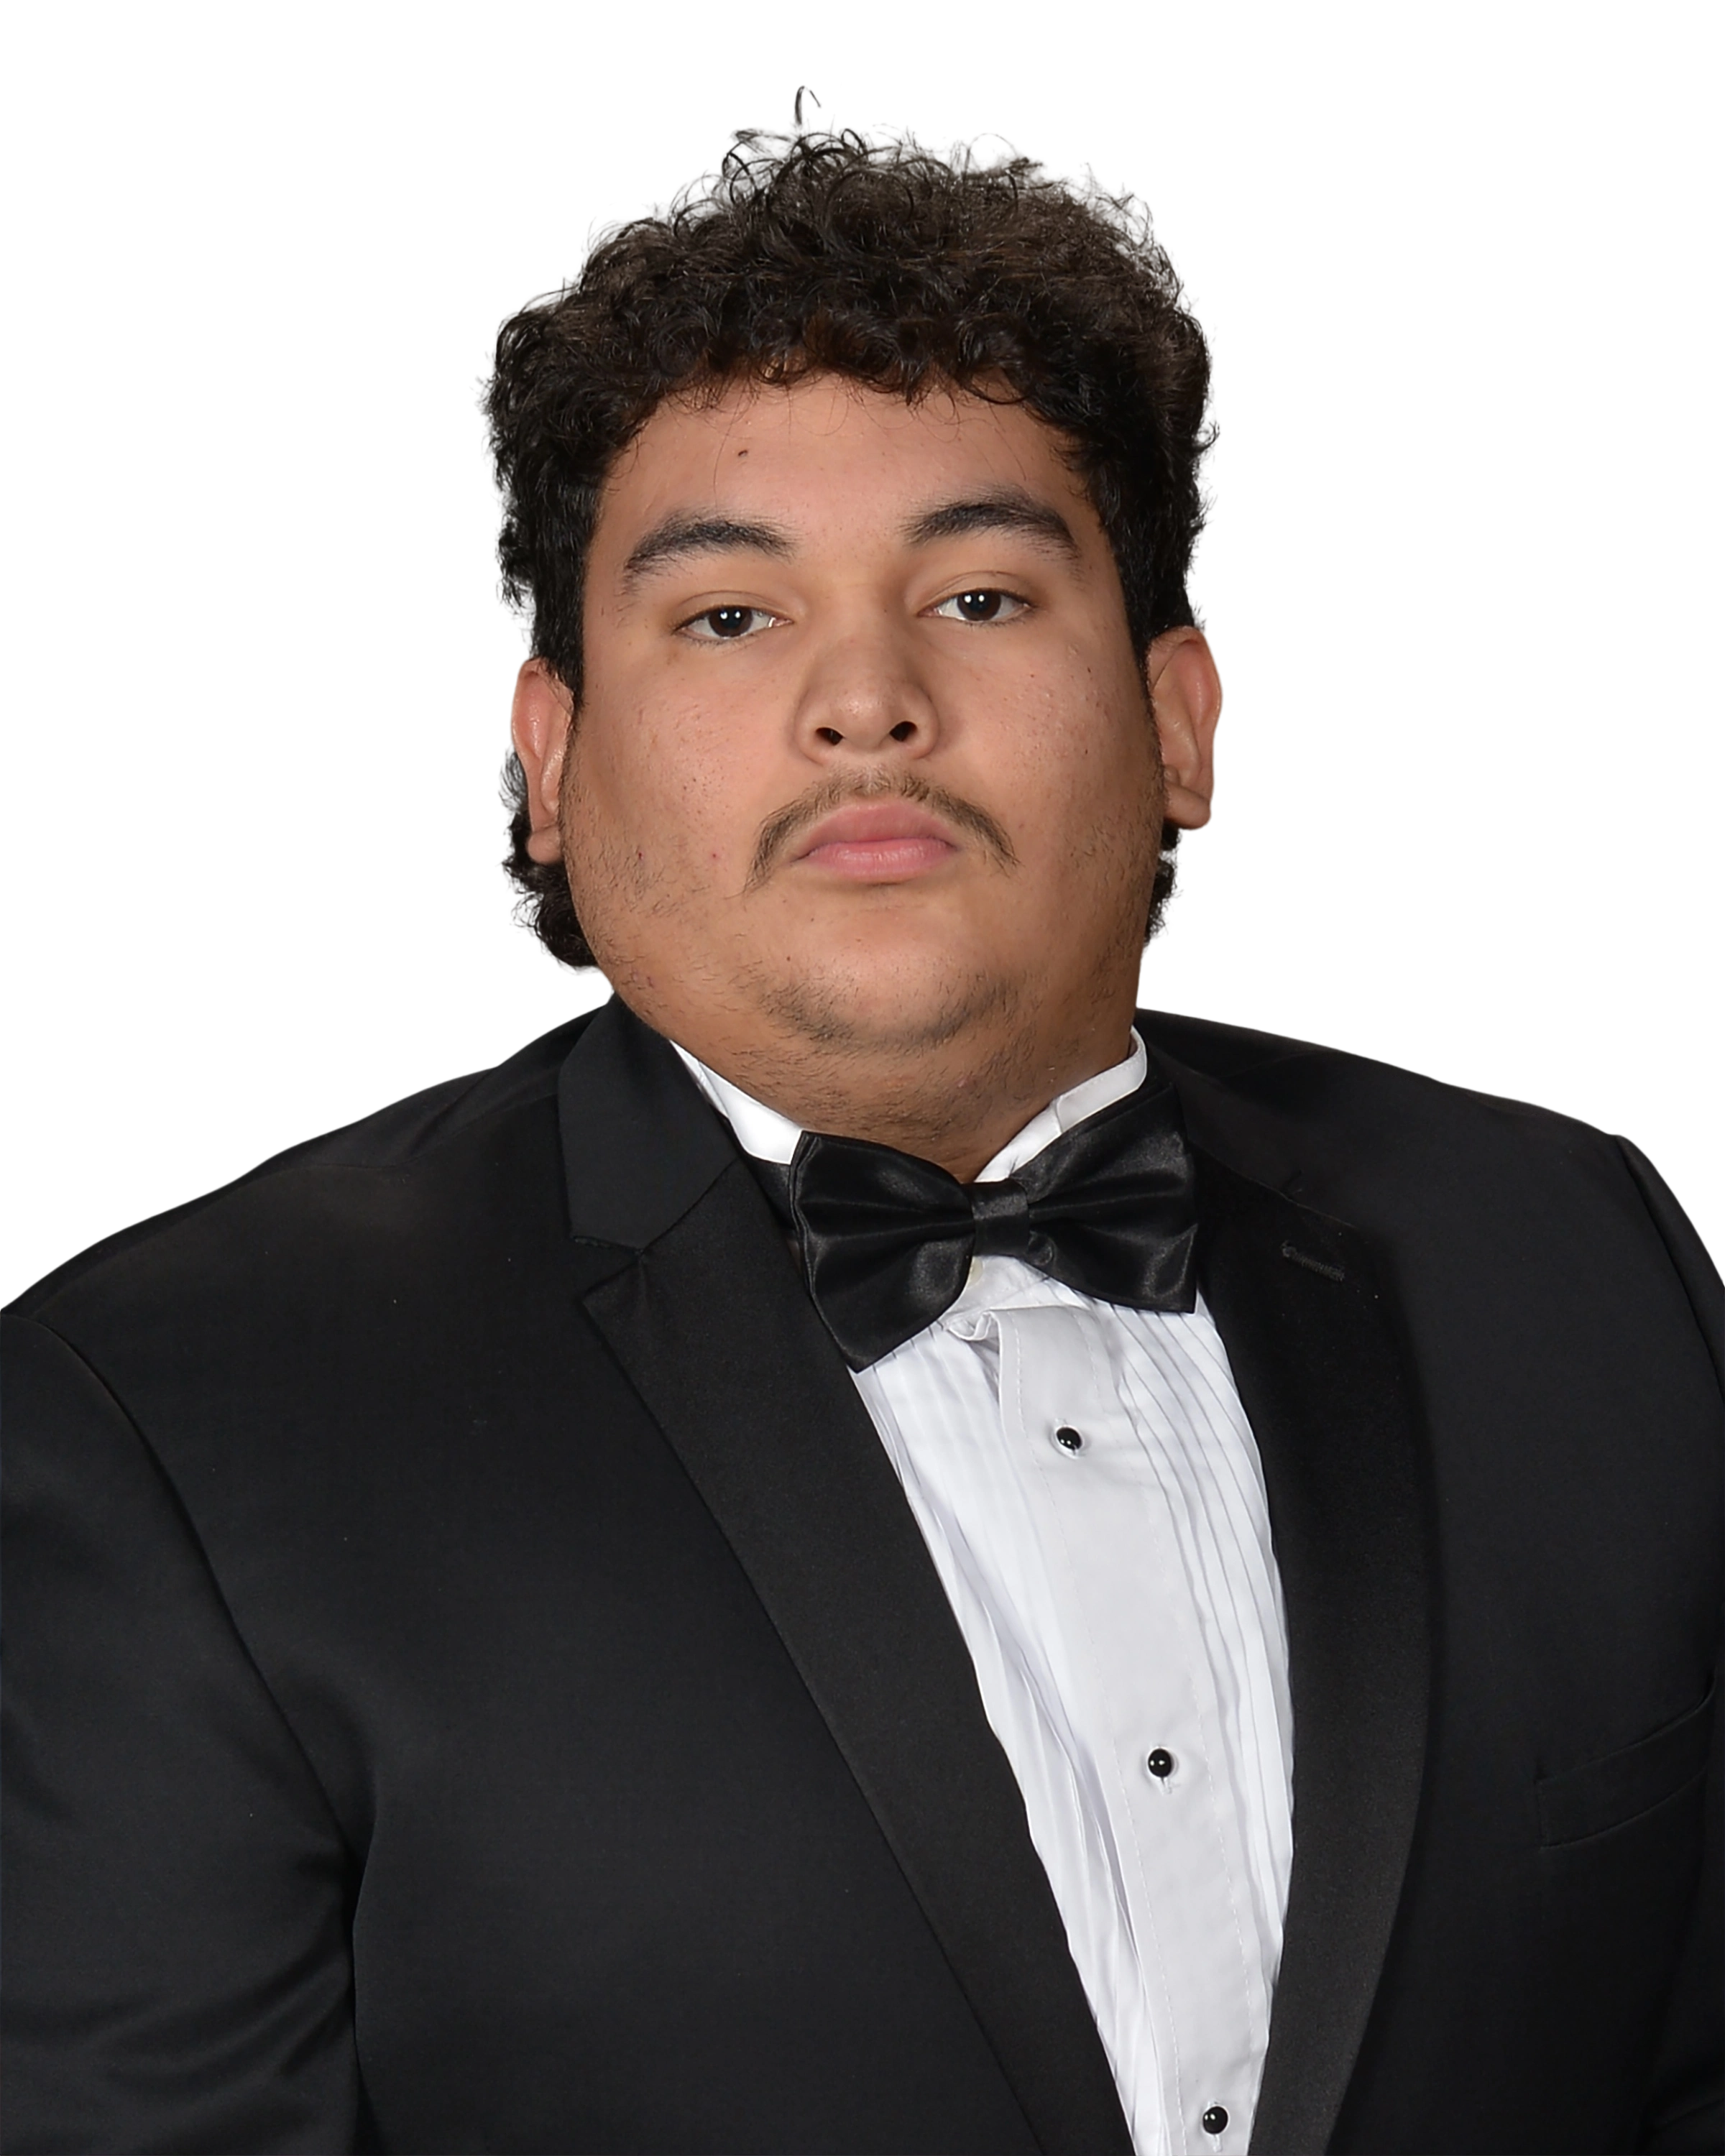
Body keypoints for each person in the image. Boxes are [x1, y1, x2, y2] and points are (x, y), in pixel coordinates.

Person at [4, 94, 1720, 2156]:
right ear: (549, 760)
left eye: (980, 596)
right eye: (731, 615)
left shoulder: (1575, 1251)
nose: (867, 703)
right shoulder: (163, 1416)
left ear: (1181, 719)